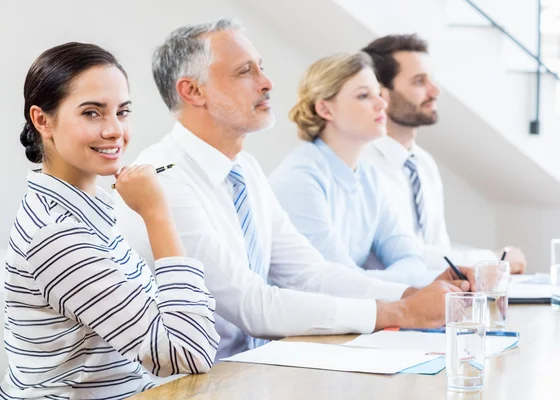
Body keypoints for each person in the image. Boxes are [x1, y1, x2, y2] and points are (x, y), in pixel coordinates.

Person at [115, 19, 474, 360]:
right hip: (197, 382)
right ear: (193, 91)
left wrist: (413, 295)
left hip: (257, 368)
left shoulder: (246, 170)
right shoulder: (165, 180)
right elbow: (252, 306)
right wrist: (401, 310)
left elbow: (309, 273)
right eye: (245, 71)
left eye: (261, 67)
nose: (267, 82)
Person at [0, 42, 219, 400]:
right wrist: (157, 215)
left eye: (123, 111)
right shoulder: (55, 234)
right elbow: (188, 353)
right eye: (92, 113)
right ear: (43, 121)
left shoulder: (90, 210)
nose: (115, 130)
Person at [360, 34, 527, 273]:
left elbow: (437, 250)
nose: (435, 91)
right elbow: (403, 256)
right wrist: (492, 260)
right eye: (419, 82)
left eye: (432, 80)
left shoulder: (424, 165)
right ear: (381, 93)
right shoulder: (363, 165)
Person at [270, 52, 437, 287]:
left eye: (379, 93)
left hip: (354, 314)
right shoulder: (299, 179)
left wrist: (375, 281)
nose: (381, 104)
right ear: (326, 110)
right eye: (363, 96)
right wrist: (402, 284)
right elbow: (336, 281)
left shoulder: (369, 175)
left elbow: (409, 258)